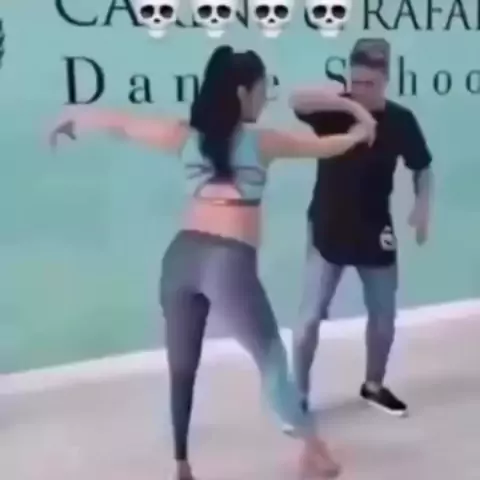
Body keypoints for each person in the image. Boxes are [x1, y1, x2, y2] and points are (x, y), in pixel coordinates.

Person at [49, 45, 376, 480]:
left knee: (182, 366)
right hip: (227, 262)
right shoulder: (262, 141)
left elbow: (122, 124)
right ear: (242, 92)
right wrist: (360, 127)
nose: (265, 98)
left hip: (181, 257)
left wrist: (72, 118)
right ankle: (317, 453)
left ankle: (181, 465)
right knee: (272, 362)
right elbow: (324, 146)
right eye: (262, 89)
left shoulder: (183, 135)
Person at [290, 38, 433, 417]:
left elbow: (422, 167)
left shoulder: (401, 120)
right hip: (327, 227)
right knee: (308, 319)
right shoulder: (334, 112)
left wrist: (422, 206)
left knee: (384, 319)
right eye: (355, 82)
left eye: (369, 84)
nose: (361, 90)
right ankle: (298, 395)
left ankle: (373, 385)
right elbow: (296, 100)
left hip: (374, 230)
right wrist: (349, 105)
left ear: (385, 80)